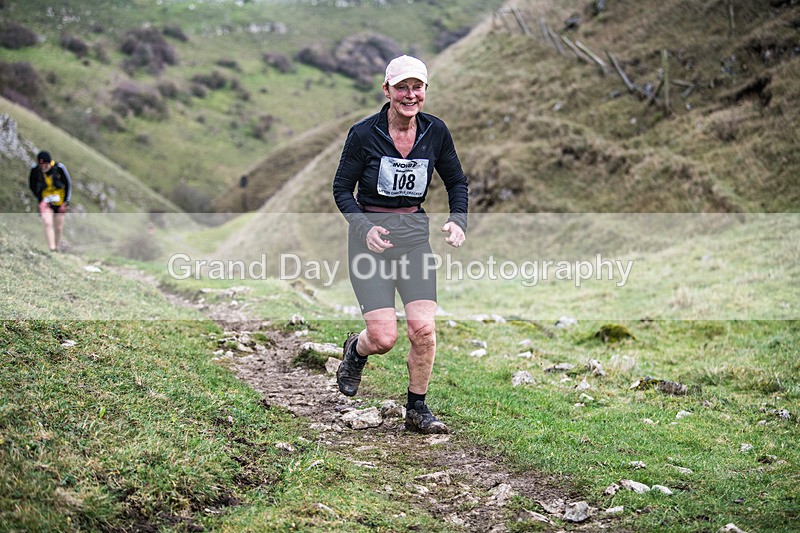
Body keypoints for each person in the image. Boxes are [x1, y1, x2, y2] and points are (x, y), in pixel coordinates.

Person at [332, 55, 468, 434]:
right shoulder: (363, 134)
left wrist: (458, 219)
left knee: (423, 330)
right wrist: (363, 228)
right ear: (387, 90)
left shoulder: (435, 132)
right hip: (370, 242)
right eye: (402, 87)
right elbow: (341, 189)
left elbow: (458, 182)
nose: (411, 95)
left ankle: (417, 408)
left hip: (413, 239)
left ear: (425, 90)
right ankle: (355, 351)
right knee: (383, 337)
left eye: (418, 87)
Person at [29, 150, 72, 252]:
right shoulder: (35, 171)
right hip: (45, 203)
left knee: (58, 227)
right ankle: (51, 248)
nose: (44, 167)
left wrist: (65, 202)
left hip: (60, 202)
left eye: (46, 164)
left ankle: (56, 247)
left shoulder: (59, 168)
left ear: (49, 162)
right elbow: (32, 186)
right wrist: (40, 200)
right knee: (47, 223)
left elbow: (68, 184)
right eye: (42, 165)